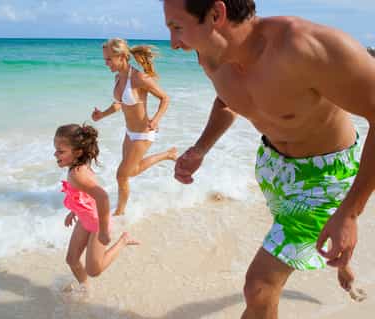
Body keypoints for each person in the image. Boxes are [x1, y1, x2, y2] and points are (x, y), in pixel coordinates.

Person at [163, 0, 374, 318]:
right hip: (272, 166)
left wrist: (350, 213)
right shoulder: (209, 55)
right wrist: (201, 149)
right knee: (285, 245)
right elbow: (228, 98)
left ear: (216, 15)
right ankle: (341, 264)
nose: (174, 43)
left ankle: (334, 242)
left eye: (177, 27)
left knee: (259, 287)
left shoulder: (306, 47)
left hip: (325, 178)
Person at [92, 38, 177, 216]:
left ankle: (120, 212)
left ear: (122, 56)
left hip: (144, 134)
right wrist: (102, 115)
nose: (106, 63)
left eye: (109, 59)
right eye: (105, 60)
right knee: (131, 171)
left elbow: (165, 98)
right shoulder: (118, 77)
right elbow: (119, 104)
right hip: (130, 133)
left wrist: (156, 120)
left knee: (122, 175)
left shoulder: (139, 78)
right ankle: (168, 154)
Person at [54, 124, 139, 292]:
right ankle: (84, 288)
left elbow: (102, 197)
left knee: (94, 270)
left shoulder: (77, 174)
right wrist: (74, 211)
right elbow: (84, 196)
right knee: (72, 260)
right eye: (56, 150)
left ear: (77, 153)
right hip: (85, 218)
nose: (55, 154)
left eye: (61, 151)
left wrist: (104, 231)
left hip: (98, 222)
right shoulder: (75, 168)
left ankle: (123, 241)